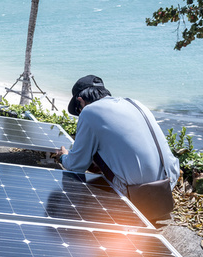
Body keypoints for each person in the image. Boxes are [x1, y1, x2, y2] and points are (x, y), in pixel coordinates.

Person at [55, 75, 180, 213]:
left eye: (78, 110)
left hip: (136, 190)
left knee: (88, 157)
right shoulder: (134, 103)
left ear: (80, 101)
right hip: (169, 182)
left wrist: (63, 157)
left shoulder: (89, 111)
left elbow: (76, 165)